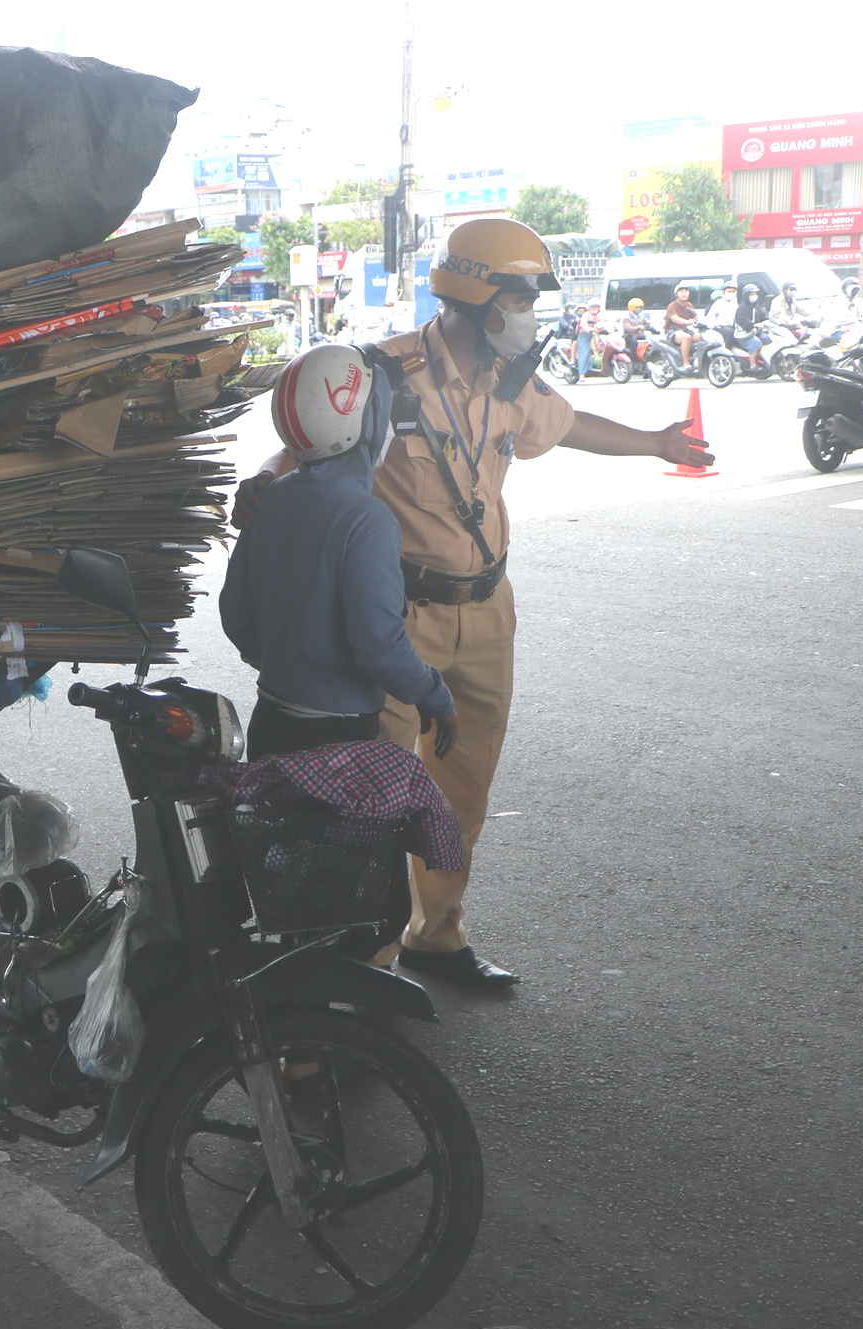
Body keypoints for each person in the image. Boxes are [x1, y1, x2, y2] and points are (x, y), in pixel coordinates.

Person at [230, 217, 713, 990]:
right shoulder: (382, 376)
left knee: (464, 788)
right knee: (379, 796)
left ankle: (436, 936)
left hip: (486, 611)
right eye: (520, 294)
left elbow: (572, 424)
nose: (531, 310)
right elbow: (302, 446)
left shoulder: (511, 378)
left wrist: (657, 443)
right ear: (478, 296)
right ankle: (366, 968)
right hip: (396, 619)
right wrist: (259, 479)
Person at [220, 343, 456, 761]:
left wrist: (286, 665)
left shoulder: (271, 498)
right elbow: (380, 645)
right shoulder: (368, 519)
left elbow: (234, 611)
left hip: (270, 718)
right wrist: (434, 696)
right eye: (380, 410)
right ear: (356, 422)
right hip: (340, 733)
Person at [664, 282, 700, 370]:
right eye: (681, 292)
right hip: (673, 331)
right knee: (686, 337)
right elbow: (674, 318)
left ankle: (698, 360)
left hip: (686, 329)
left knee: (700, 337)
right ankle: (686, 363)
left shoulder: (689, 305)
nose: (684, 293)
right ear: (676, 294)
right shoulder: (672, 306)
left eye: (686, 291)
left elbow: (696, 316)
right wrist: (687, 322)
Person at [733, 283, 768, 367]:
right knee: (756, 343)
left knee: (767, 338)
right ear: (746, 295)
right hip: (744, 334)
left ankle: (763, 360)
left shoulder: (756, 306)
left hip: (755, 331)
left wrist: (771, 320)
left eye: (755, 294)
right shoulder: (742, 308)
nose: (754, 296)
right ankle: (753, 365)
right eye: (751, 294)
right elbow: (743, 322)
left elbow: (764, 316)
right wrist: (754, 325)